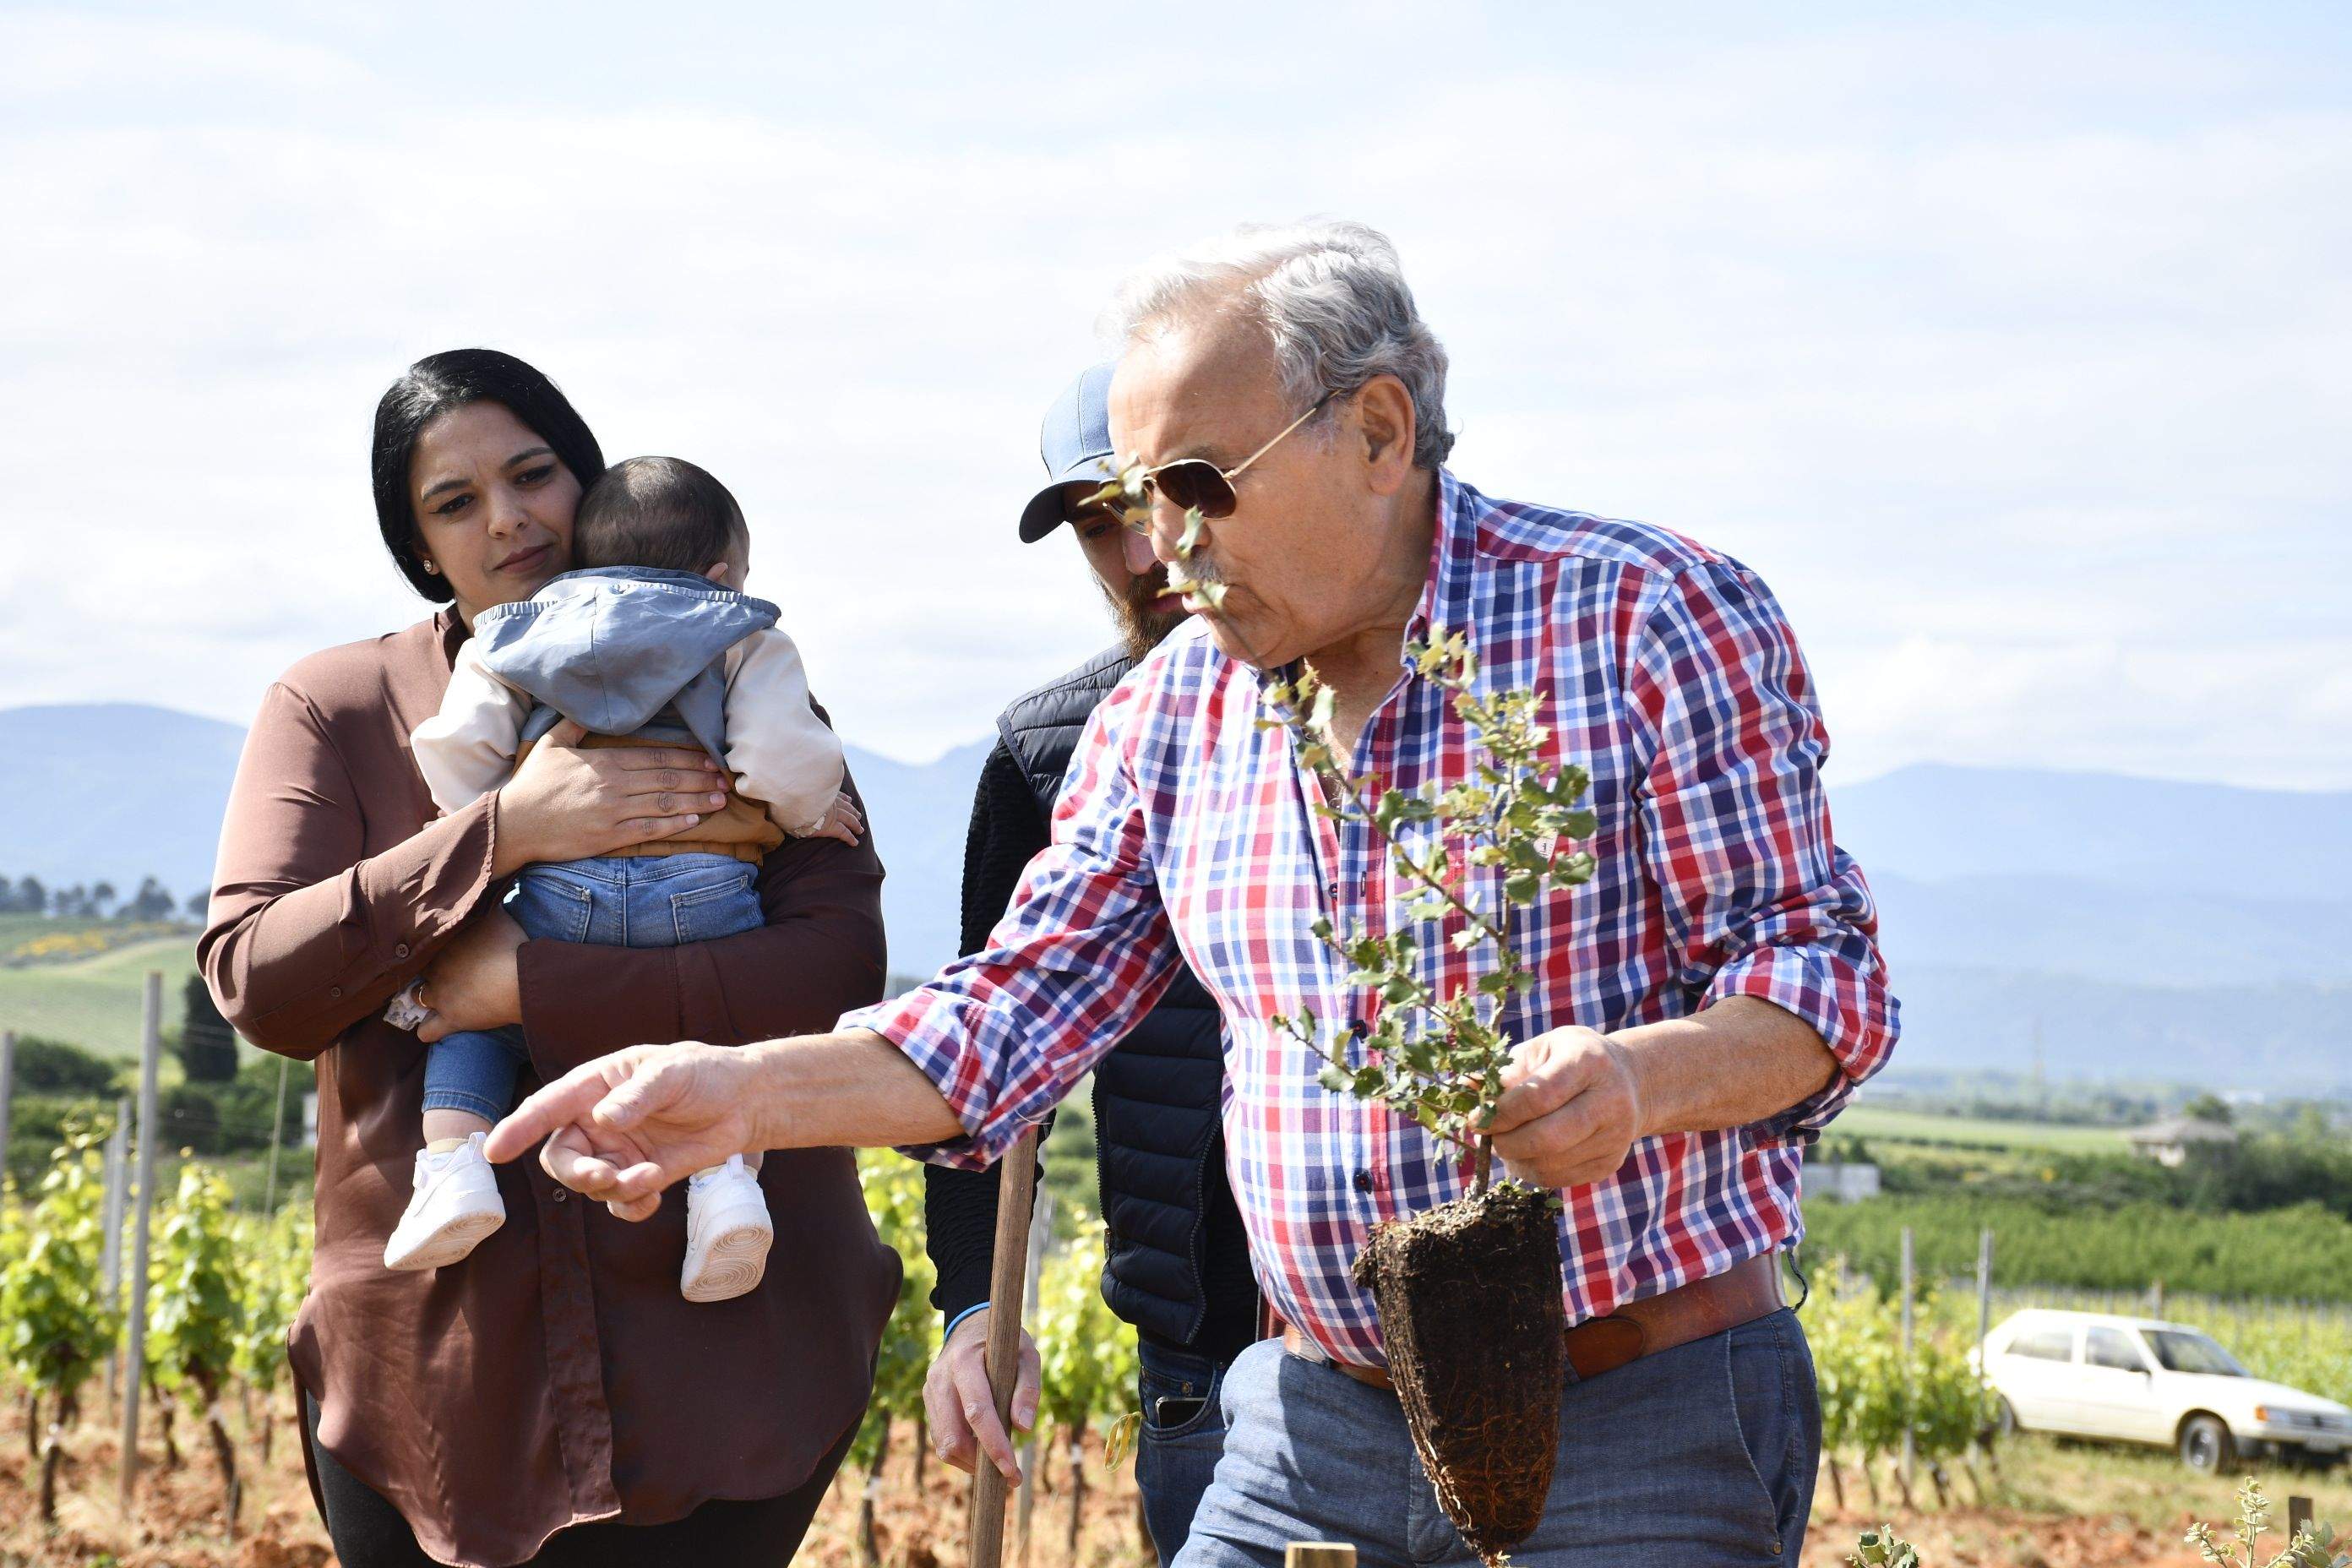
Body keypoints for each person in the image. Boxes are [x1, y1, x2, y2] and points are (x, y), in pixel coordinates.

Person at [489, 221, 1900, 1565]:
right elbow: (1015, 1010)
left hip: (1633, 1416)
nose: (1166, 544)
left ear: (1377, 432)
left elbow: (1822, 979)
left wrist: (1638, 1081)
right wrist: (740, 1092)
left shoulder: (1642, 617)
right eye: (1142, 498)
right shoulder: (1169, 713)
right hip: (1310, 1415)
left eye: (1203, 485)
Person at [202, 350, 899, 1568]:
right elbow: (260, 980)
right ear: (420, 548)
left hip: (733, 1348)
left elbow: (835, 969)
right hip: (437, 1364)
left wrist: (520, 986)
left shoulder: (732, 677)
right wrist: (509, 830)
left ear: (593, 485)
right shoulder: (341, 706)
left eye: (534, 476)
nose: (509, 518)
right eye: (454, 502)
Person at [384, 455, 865, 1302]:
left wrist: (505, 814)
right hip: (706, 886)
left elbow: (457, 754)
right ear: (721, 575)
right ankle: (724, 1191)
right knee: (718, 1033)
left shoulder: (515, 630)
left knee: (478, 1021)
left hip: (565, 892)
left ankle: (453, 1167)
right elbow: (783, 760)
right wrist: (799, 813)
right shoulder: (741, 632)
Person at [922, 363, 1259, 1564]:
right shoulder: (1047, 752)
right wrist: (972, 1306)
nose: (1135, 555)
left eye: (1156, 502)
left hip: (1428, 1356)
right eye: (1096, 523)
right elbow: (986, 1044)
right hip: (1195, 1367)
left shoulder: (1424, 708)